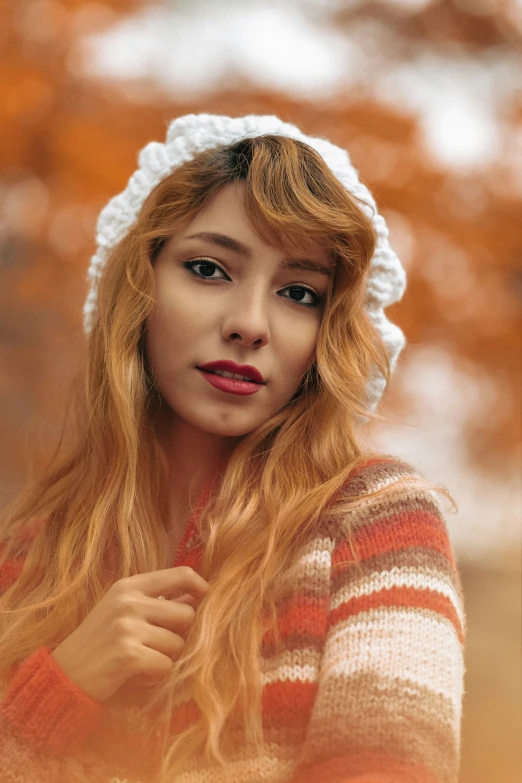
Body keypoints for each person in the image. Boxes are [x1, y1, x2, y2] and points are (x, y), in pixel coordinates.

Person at [0, 113, 466, 783]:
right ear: (141, 285)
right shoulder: (31, 558)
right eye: (209, 268)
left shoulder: (375, 525)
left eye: (298, 292)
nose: (249, 323)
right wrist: (53, 696)